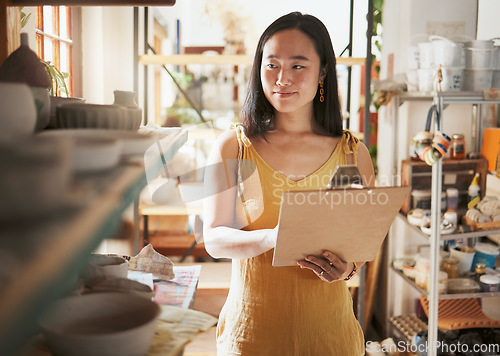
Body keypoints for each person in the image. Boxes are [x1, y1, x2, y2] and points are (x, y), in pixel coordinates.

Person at [203, 11, 375, 356]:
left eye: (298, 66)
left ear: (323, 71)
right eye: (272, 64)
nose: (282, 78)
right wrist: (273, 238)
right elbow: (214, 239)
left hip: (332, 338)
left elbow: (362, 241)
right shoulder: (232, 146)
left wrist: (348, 267)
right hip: (251, 336)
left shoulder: (353, 153)